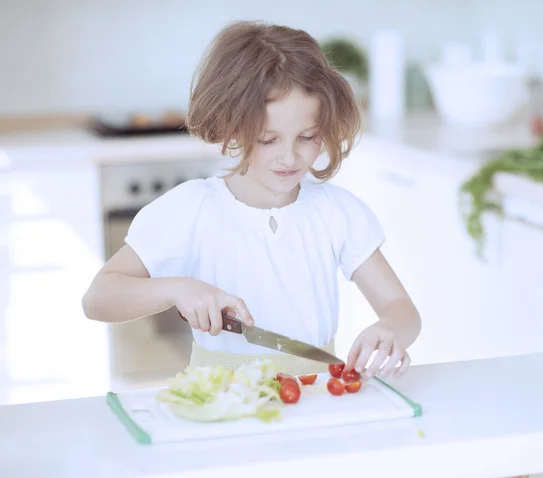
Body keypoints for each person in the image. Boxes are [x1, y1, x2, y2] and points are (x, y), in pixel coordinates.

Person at [82, 20, 421, 379]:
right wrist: (176, 289)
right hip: (221, 400)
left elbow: (402, 309)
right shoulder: (191, 209)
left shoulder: (337, 212)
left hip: (317, 393)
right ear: (230, 127)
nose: (289, 158)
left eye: (307, 136)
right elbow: (98, 298)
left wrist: (390, 331)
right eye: (267, 139)